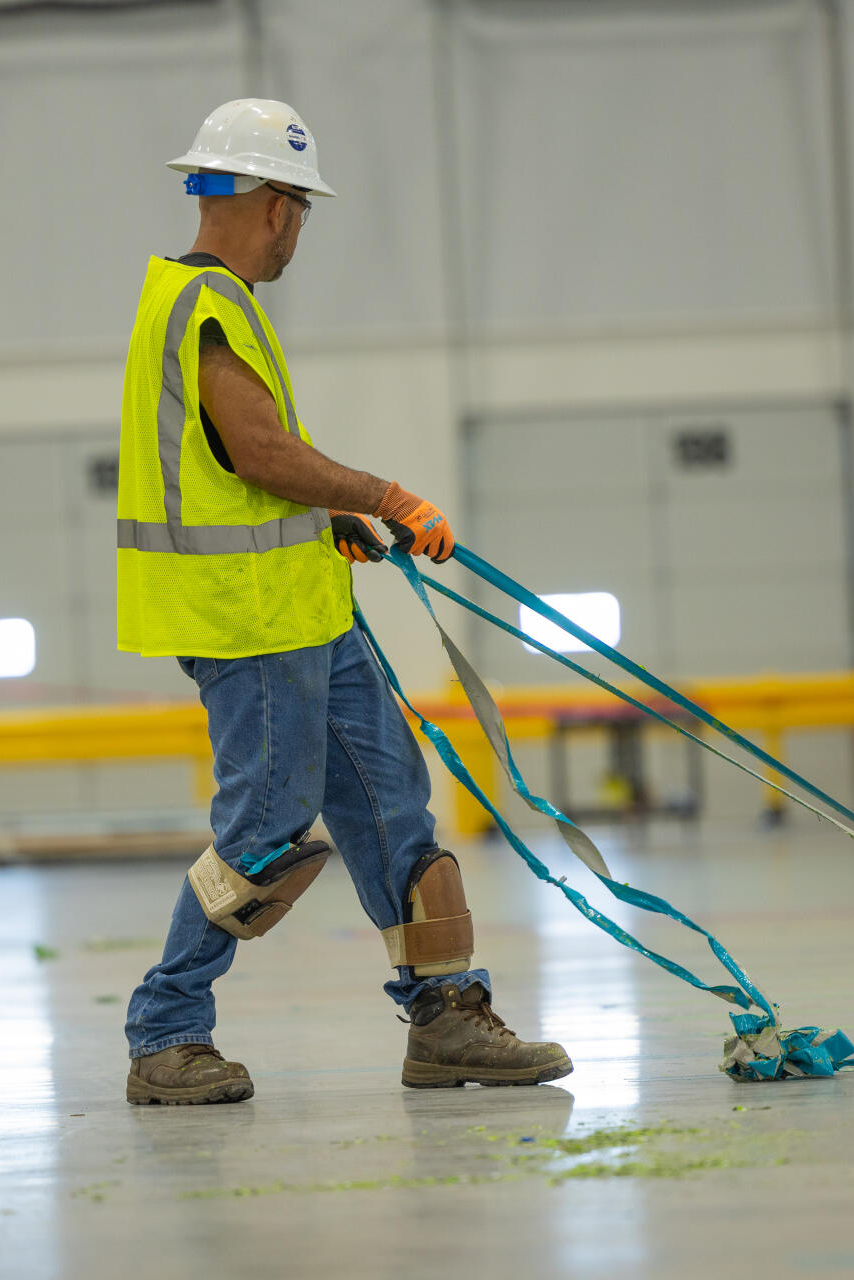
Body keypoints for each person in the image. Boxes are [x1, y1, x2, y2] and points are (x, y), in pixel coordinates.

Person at [117, 99, 571, 1105]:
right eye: (301, 212)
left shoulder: (206, 301)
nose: (297, 236)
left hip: (303, 608)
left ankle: (445, 1011)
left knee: (388, 797)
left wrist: (325, 524)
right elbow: (259, 449)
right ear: (274, 205)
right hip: (251, 621)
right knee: (266, 828)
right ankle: (166, 1026)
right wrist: (384, 495)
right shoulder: (207, 305)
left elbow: (238, 473)